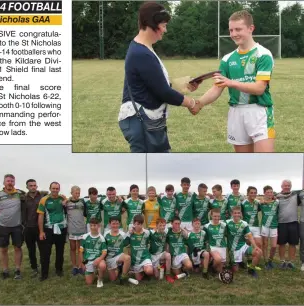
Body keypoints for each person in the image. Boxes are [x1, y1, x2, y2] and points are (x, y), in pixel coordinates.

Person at [118, 1, 200, 153]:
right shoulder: (141, 53)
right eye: (163, 25)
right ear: (151, 24)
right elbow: (163, 92)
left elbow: (154, 84)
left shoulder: (142, 48)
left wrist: (184, 86)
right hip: (142, 122)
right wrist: (192, 103)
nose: (165, 30)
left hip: (146, 121)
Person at [195, 10, 275, 152]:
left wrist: (231, 83)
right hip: (236, 113)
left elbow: (259, 88)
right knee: (244, 165)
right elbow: (217, 88)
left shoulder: (263, 54)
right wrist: (199, 104)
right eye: (231, 30)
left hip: (259, 112)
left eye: (238, 29)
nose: (233, 34)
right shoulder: (227, 59)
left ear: (251, 28)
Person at [0, 174, 26, 280]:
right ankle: (5, 270)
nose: (10, 183)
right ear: (4, 182)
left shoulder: (20, 194)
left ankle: (17, 270)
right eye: (8, 181)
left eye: (12, 181)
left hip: (17, 226)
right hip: (3, 226)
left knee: (17, 248)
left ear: (14, 182)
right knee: (3, 249)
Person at [37, 182, 67, 281]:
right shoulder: (44, 199)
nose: (55, 190)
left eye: (57, 188)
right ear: (50, 188)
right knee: (46, 252)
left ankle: (59, 270)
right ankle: (44, 273)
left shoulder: (62, 199)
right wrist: (41, 232)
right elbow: (40, 216)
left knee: (60, 250)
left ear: (59, 189)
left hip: (61, 228)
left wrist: (66, 201)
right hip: (48, 229)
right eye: (53, 188)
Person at [226, 206, 262, 278]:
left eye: (238, 213)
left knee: (258, 252)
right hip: (233, 250)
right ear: (232, 214)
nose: (236, 215)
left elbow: (250, 236)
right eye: (235, 213)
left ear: (240, 214)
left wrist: (255, 246)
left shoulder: (244, 223)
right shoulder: (227, 223)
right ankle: (234, 262)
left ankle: (251, 269)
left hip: (243, 246)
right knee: (235, 270)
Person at [23, 179, 46, 278]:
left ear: (37, 186)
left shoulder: (42, 196)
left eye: (34, 185)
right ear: (27, 187)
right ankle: (34, 268)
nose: (33, 187)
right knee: (31, 250)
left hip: (40, 228)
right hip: (28, 228)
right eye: (30, 185)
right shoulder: (23, 198)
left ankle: (43, 268)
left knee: (43, 249)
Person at [276, 180, 300, 270]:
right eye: (285, 185)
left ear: (291, 186)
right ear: (281, 186)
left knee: (292, 243)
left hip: (293, 222)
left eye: (288, 185)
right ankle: (282, 261)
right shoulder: (277, 197)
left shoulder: (295, 195)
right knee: (281, 243)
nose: (286, 187)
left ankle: (291, 262)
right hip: (281, 223)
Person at [79, 218, 107, 288]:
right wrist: (82, 263)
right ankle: (95, 272)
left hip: (97, 260)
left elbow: (104, 252)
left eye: (94, 225)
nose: (92, 227)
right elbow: (80, 252)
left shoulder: (102, 238)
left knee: (102, 265)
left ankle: (100, 279)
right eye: (91, 225)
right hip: (88, 261)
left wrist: (99, 259)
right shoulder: (85, 237)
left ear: (98, 226)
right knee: (89, 283)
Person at [104, 217, 131, 284]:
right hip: (109, 258)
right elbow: (103, 248)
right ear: (110, 224)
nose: (115, 225)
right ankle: (119, 268)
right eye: (113, 224)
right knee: (113, 279)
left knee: (127, 258)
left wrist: (130, 233)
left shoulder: (122, 234)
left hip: (118, 256)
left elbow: (127, 244)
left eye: (117, 224)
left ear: (119, 224)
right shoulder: (106, 234)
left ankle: (123, 276)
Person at [66, 186, 86, 276]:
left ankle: (80, 266)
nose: (77, 194)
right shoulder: (67, 202)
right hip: (71, 229)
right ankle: (74, 266)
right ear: (71, 193)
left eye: (79, 193)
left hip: (81, 229)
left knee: (80, 249)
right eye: (75, 193)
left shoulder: (82, 202)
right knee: (73, 248)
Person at [127, 215, 154, 281]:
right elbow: (125, 244)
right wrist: (128, 233)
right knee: (138, 279)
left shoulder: (147, 232)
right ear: (133, 224)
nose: (137, 226)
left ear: (142, 224)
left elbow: (150, 241)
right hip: (136, 260)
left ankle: (146, 270)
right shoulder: (131, 233)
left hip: (145, 258)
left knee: (149, 271)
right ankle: (141, 271)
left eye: (139, 224)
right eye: (135, 224)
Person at [148, 218, 175, 283]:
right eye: (160, 225)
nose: (162, 227)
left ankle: (168, 274)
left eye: (164, 225)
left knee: (168, 255)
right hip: (153, 255)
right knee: (157, 277)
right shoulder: (151, 233)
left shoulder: (166, 231)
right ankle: (159, 267)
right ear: (156, 225)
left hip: (161, 254)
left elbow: (173, 227)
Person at [203, 209, 227, 277]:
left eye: (218, 216)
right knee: (218, 259)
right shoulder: (207, 226)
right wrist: (207, 248)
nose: (216, 218)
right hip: (213, 247)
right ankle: (212, 264)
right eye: (215, 216)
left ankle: (212, 266)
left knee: (219, 270)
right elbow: (205, 239)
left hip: (222, 247)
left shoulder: (224, 225)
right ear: (211, 216)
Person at [260, 186, 279, 270]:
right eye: (267, 192)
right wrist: (261, 200)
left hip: (274, 226)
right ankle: (266, 261)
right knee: (265, 244)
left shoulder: (276, 202)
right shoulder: (261, 203)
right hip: (265, 226)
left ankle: (270, 260)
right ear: (264, 193)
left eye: (271, 192)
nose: (269, 194)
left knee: (274, 246)